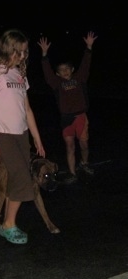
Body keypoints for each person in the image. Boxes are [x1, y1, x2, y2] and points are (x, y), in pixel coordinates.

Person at [0, 29, 46, 245]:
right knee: (22, 178)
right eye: (20, 51)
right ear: (9, 49)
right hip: (2, 133)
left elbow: (27, 110)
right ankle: (9, 224)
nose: (24, 55)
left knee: (16, 179)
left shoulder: (19, 75)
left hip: (21, 134)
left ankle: (5, 223)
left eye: (26, 52)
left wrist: (36, 137)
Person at [37, 31, 98, 184]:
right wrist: (44, 55)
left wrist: (89, 47)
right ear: (58, 73)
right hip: (66, 119)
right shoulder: (57, 84)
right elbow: (48, 74)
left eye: (67, 69)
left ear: (72, 70)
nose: (64, 72)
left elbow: (85, 64)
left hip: (81, 117)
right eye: (61, 70)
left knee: (83, 144)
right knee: (70, 146)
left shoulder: (80, 78)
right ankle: (72, 173)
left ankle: (84, 163)